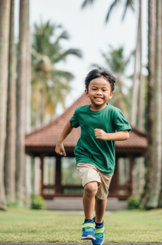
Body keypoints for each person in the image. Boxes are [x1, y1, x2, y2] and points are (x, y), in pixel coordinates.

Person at [55, 68, 131, 245]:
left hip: (106, 161)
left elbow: (125, 134)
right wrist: (60, 142)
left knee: (101, 197)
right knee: (90, 187)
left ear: (110, 94)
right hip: (85, 156)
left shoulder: (113, 113)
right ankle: (88, 222)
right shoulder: (81, 112)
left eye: (104, 90)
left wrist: (107, 135)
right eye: (94, 88)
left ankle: (99, 223)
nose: (99, 93)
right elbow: (70, 124)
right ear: (86, 92)